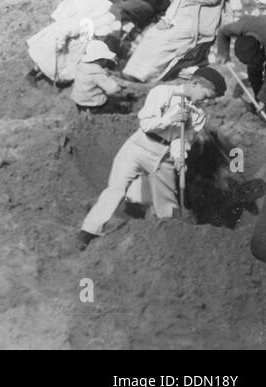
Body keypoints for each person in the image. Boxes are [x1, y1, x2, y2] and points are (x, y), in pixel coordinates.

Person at [76, 66, 226, 249]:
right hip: (139, 147)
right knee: (115, 190)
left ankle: (173, 241)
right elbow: (146, 124)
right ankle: (89, 231)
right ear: (194, 83)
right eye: (207, 96)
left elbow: (182, 139)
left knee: (167, 204)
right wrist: (170, 119)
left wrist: (180, 156)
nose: (207, 102)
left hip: (163, 158)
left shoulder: (198, 114)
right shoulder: (162, 93)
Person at [214, 14, 266, 115]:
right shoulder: (241, 27)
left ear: (261, 48)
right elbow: (223, 31)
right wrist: (223, 53)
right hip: (262, 29)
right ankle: (258, 101)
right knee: (253, 70)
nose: (250, 64)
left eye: (253, 60)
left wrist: (264, 99)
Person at [72, 39, 138, 113]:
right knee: (117, 109)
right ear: (100, 60)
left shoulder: (81, 67)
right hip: (94, 104)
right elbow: (112, 88)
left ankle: (83, 111)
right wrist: (122, 90)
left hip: (79, 102)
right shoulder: (97, 73)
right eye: (106, 59)